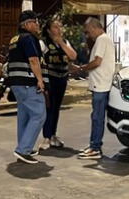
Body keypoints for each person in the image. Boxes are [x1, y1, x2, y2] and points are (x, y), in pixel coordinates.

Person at [5, 10, 48, 164]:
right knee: (39, 114)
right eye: (35, 22)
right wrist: (40, 80)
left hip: (16, 83)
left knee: (24, 115)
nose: (38, 25)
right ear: (28, 24)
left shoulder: (14, 39)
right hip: (27, 82)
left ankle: (25, 147)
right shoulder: (29, 38)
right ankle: (23, 150)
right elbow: (34, 60)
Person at [72, 17, 115, 160]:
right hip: (100, 84)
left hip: (101, 85)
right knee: (96, 117)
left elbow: (97, 61)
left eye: (88, 31)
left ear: (95, 27)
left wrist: (81, 68)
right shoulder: (104, 39)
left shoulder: (102, 39)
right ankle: (94, 145)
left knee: (97, 117)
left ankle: (95, 147)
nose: (88, 35)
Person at [39, 19, 77, 149]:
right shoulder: (43, 43)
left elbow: (73, 56)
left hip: (62, 78)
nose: (59, 29)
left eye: (60, 26)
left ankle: (53, 134)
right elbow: (36, 60)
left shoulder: (65, 42)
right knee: (48, 107)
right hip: (49, 80)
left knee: (56, 108)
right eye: (55, 27)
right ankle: (46, 137)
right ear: (49, 30)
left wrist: (61, 42)